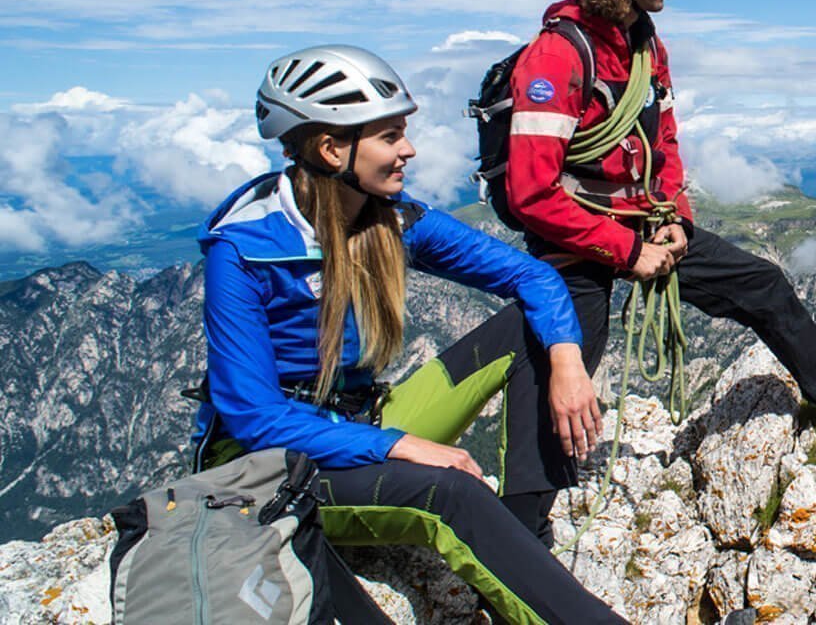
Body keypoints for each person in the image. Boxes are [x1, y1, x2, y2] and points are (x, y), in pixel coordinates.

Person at [500, 0, 816, 534]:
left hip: (644, 224)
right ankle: (514, 546)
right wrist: (629, 252)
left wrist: (675, 220)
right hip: (574, 244)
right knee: (559, 408)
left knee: (762, 284)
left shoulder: (643, 43)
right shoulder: (555, 56)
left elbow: (664, 143)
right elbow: (531, 194)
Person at [195, 44, 625, 624]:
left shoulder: (390, 219)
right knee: (448, 494)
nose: (409, 149)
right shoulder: (245, 248)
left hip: (361, 421)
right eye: (390, 136)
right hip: (277, 464)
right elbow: (254, 418)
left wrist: (567, 362)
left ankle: (521, 533)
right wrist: (401, 446)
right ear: (331, 148)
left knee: (541, 323)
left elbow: (534, 276)